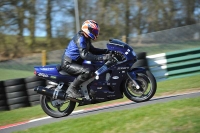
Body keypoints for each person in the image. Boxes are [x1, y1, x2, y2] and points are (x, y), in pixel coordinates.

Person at [61, 20, 113, 98]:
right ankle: (71, 89)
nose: (96, 33)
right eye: (94, 31)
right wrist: (103, 57)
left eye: (96, 31)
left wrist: (107, 51)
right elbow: (84, 55)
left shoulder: (86, 38)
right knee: (87, 71)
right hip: (68, 63)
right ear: (87, 29)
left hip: (75, 62)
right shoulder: (80, 38)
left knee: (94, 67)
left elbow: (93, 50)